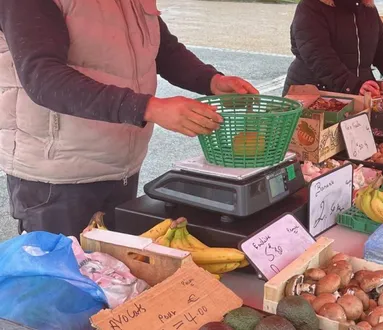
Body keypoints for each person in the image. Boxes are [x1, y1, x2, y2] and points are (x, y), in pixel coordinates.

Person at [0, 0, 258, 236]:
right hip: (55, 179)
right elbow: (43, 77)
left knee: (118, 279)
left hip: (121, 167)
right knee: (62, 282)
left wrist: (211, 81)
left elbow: (163, 49)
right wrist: (148, 108)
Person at [283, 0, 383, 97]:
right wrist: (352, 86)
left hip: (358, 94)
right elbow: (318, 55)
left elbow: (381, 46)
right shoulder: (311, 7)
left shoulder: (366, 7)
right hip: (314, 93)